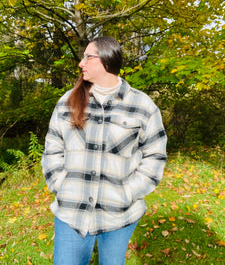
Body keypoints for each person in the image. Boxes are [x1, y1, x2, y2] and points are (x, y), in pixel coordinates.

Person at [41, 36, 167, 265]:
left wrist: (128, 192)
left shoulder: (142, 105)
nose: (81, 63)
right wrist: (62, 185)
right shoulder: (67, 102)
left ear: (107, 60)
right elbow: (52, 150)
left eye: (88, 57)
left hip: (119, 215)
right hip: (71, 214)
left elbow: (155, 156)